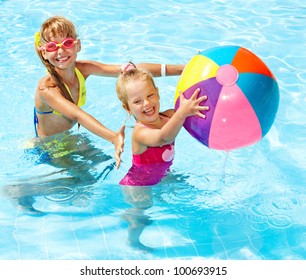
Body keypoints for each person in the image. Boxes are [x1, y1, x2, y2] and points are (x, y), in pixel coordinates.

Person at [34, 16, 185, 169]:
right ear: (44, 53)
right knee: (84, 182)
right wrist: (113, 137)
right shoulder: (47, 89)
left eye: (67, 43)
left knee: (106, 163)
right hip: (50, 146)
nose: (61, 51)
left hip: (70, 137)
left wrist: (184, 69)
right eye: (52, 47)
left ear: (77, 45)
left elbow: (132, 69)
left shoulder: (83, 69)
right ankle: (22, 189)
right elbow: (77, 115)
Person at [116, 64, 209, 186]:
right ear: (128, 108)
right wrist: (182, 113)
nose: (147, 103)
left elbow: (196, 115)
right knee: (143, 206)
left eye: (150, 95)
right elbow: (163, 138)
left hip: (163, 175)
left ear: (157, 93)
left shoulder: (169, 116)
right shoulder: (140, 133)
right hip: (138, 185)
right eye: (138, 101)